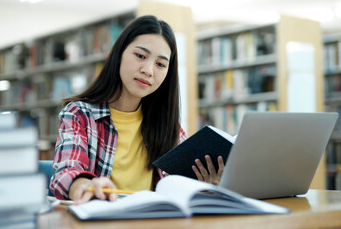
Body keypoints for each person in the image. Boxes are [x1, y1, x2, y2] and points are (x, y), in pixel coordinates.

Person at [50, 15, 224, 204]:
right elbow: (67, 171)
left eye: (160, 64)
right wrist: (83, 186)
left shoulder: (167, 125)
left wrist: (208, 185)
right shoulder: (79, 114)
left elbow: (180, 187)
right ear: (119, 54)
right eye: (140, 56)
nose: (148, 70)